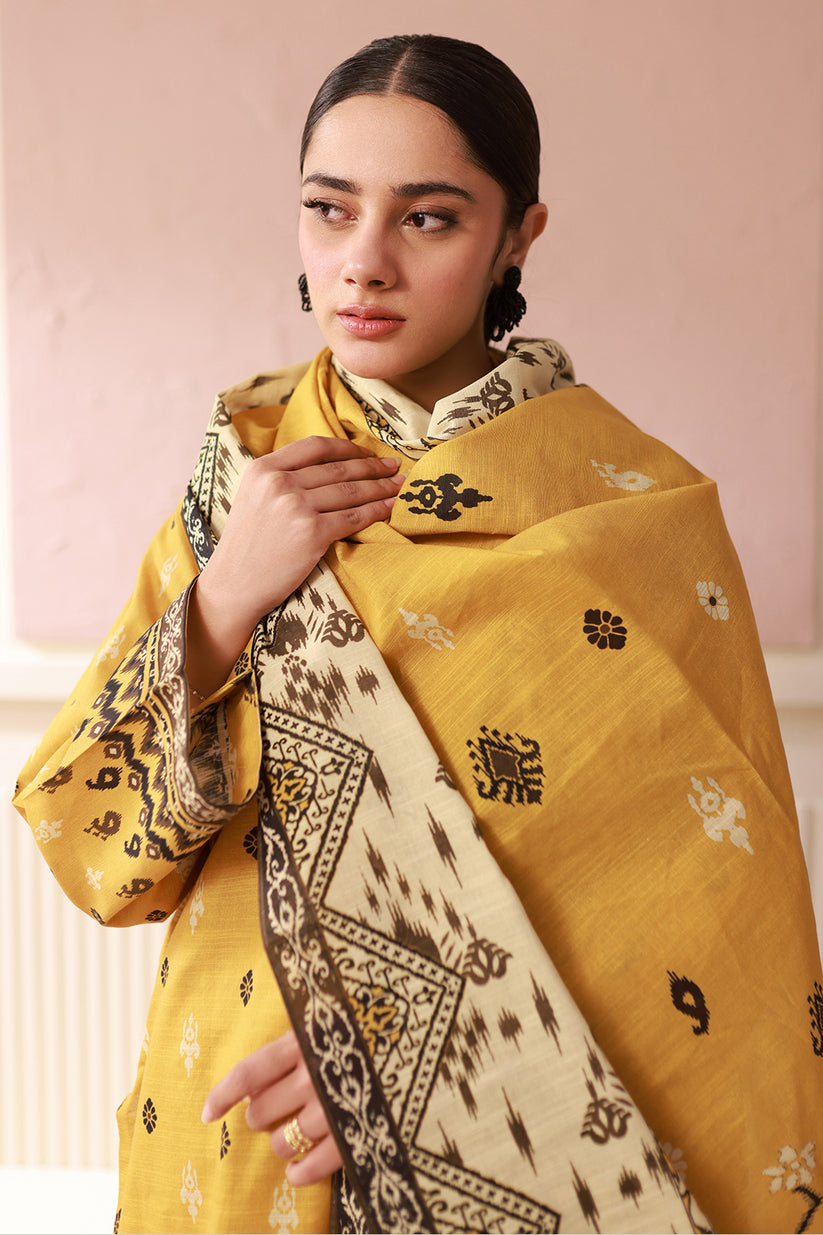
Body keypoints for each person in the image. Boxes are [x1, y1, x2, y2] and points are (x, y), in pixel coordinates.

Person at [12, 32, 823, 1235]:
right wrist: (227, 594)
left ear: (516, 238)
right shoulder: (248, 467)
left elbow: (696, 915)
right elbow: (90, 837)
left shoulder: (633, 515)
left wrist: (406, 1061)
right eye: (327, 211)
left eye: (428, 219)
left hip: (513, 1147)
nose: (362, 266)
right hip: (236, 1139)